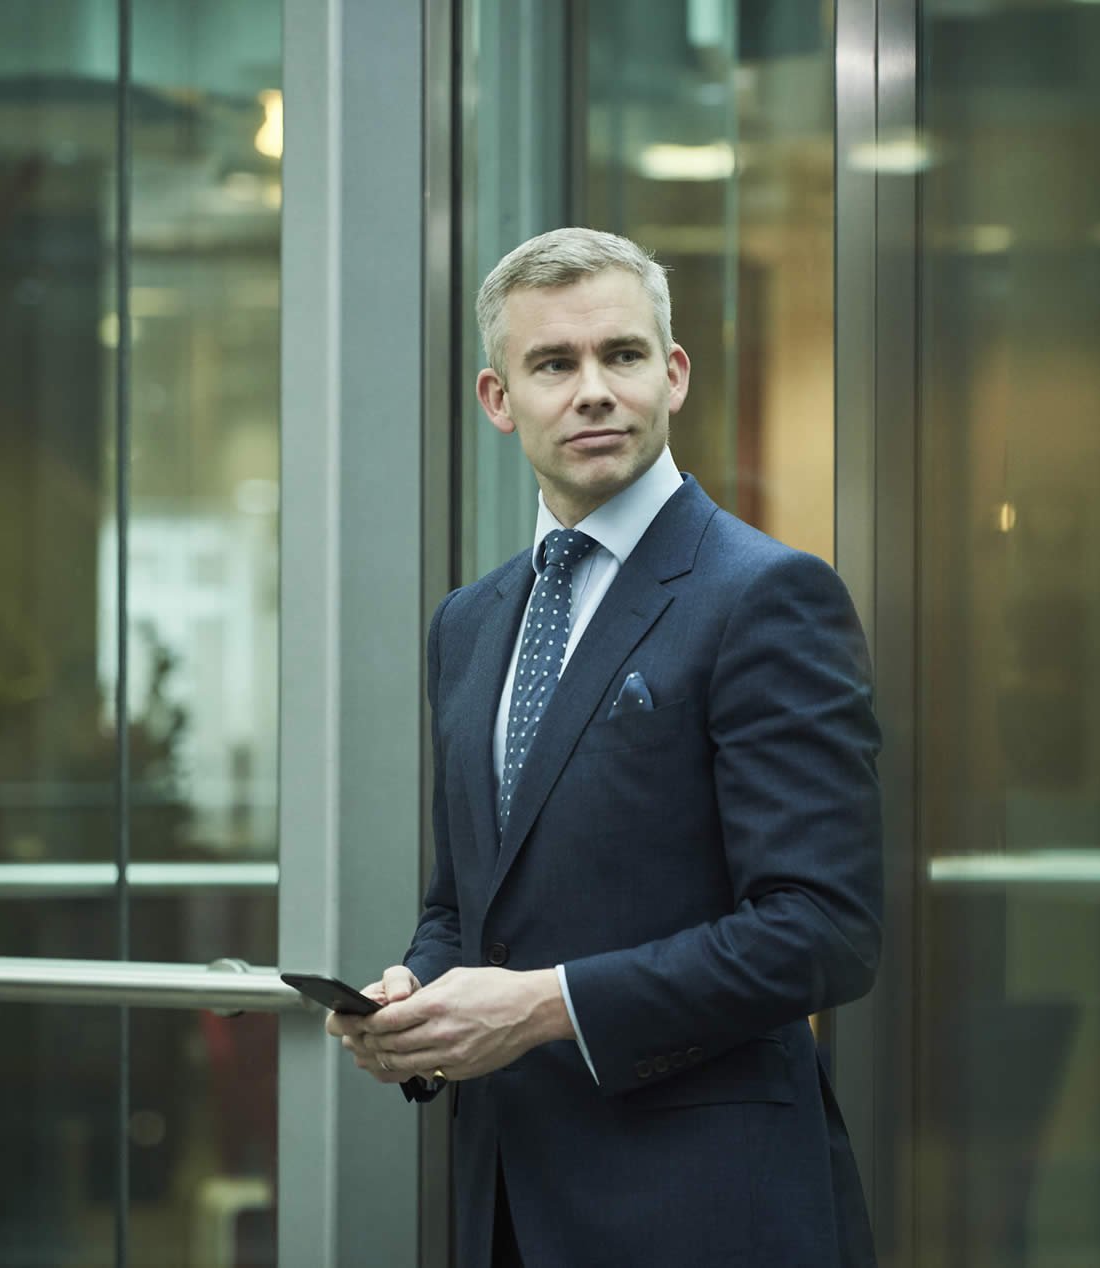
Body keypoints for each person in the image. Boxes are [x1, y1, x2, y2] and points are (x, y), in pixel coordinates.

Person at [326, 227, 883, 1267]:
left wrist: (541, 1005)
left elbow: (822, 928)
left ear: (670, 375)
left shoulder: (764, 596)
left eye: (620, 355)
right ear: (499, 400)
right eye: (553, 363)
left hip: (706, 1207)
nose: (592, 390)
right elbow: (467, 903)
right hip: (507, 1200)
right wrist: (417, 996)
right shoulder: (471, 620)